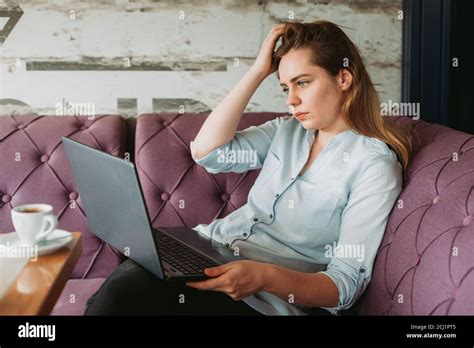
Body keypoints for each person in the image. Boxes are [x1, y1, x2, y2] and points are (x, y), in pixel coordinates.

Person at [85, 20, 411, 316]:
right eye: (286, 87)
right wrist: (257, 70)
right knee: (122, 291)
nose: (291, 100)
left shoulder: (375, 166)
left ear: (343, 77)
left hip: (259, 298)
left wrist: (264, 277)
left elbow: (345, 285)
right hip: (208, 249)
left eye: (303, 83)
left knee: (121, 301)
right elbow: (206, 152)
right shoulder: (287, 131)